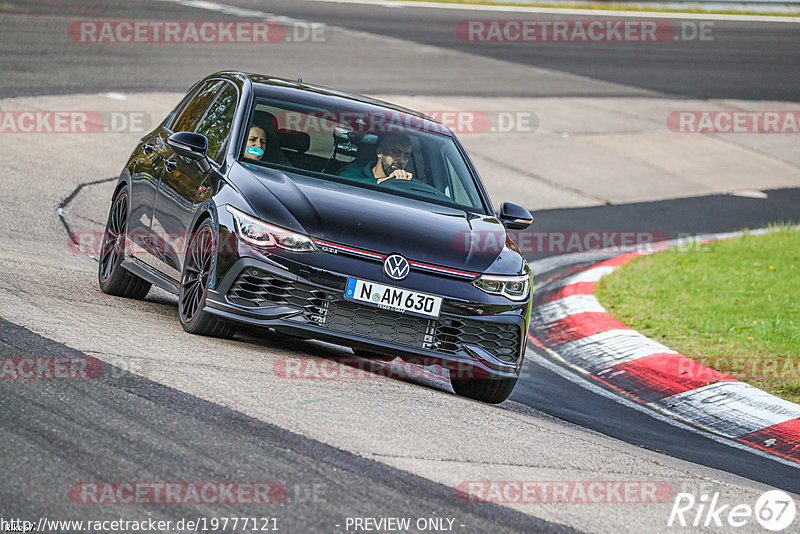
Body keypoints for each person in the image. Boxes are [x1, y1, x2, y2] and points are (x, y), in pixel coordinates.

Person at [339, 133, 413, 184]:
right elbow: (346, 183)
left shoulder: (408, 183)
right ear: (380, 152)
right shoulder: (353, 172)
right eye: (396, 152)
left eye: (407, 156)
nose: (402, 160)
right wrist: (389, 181)